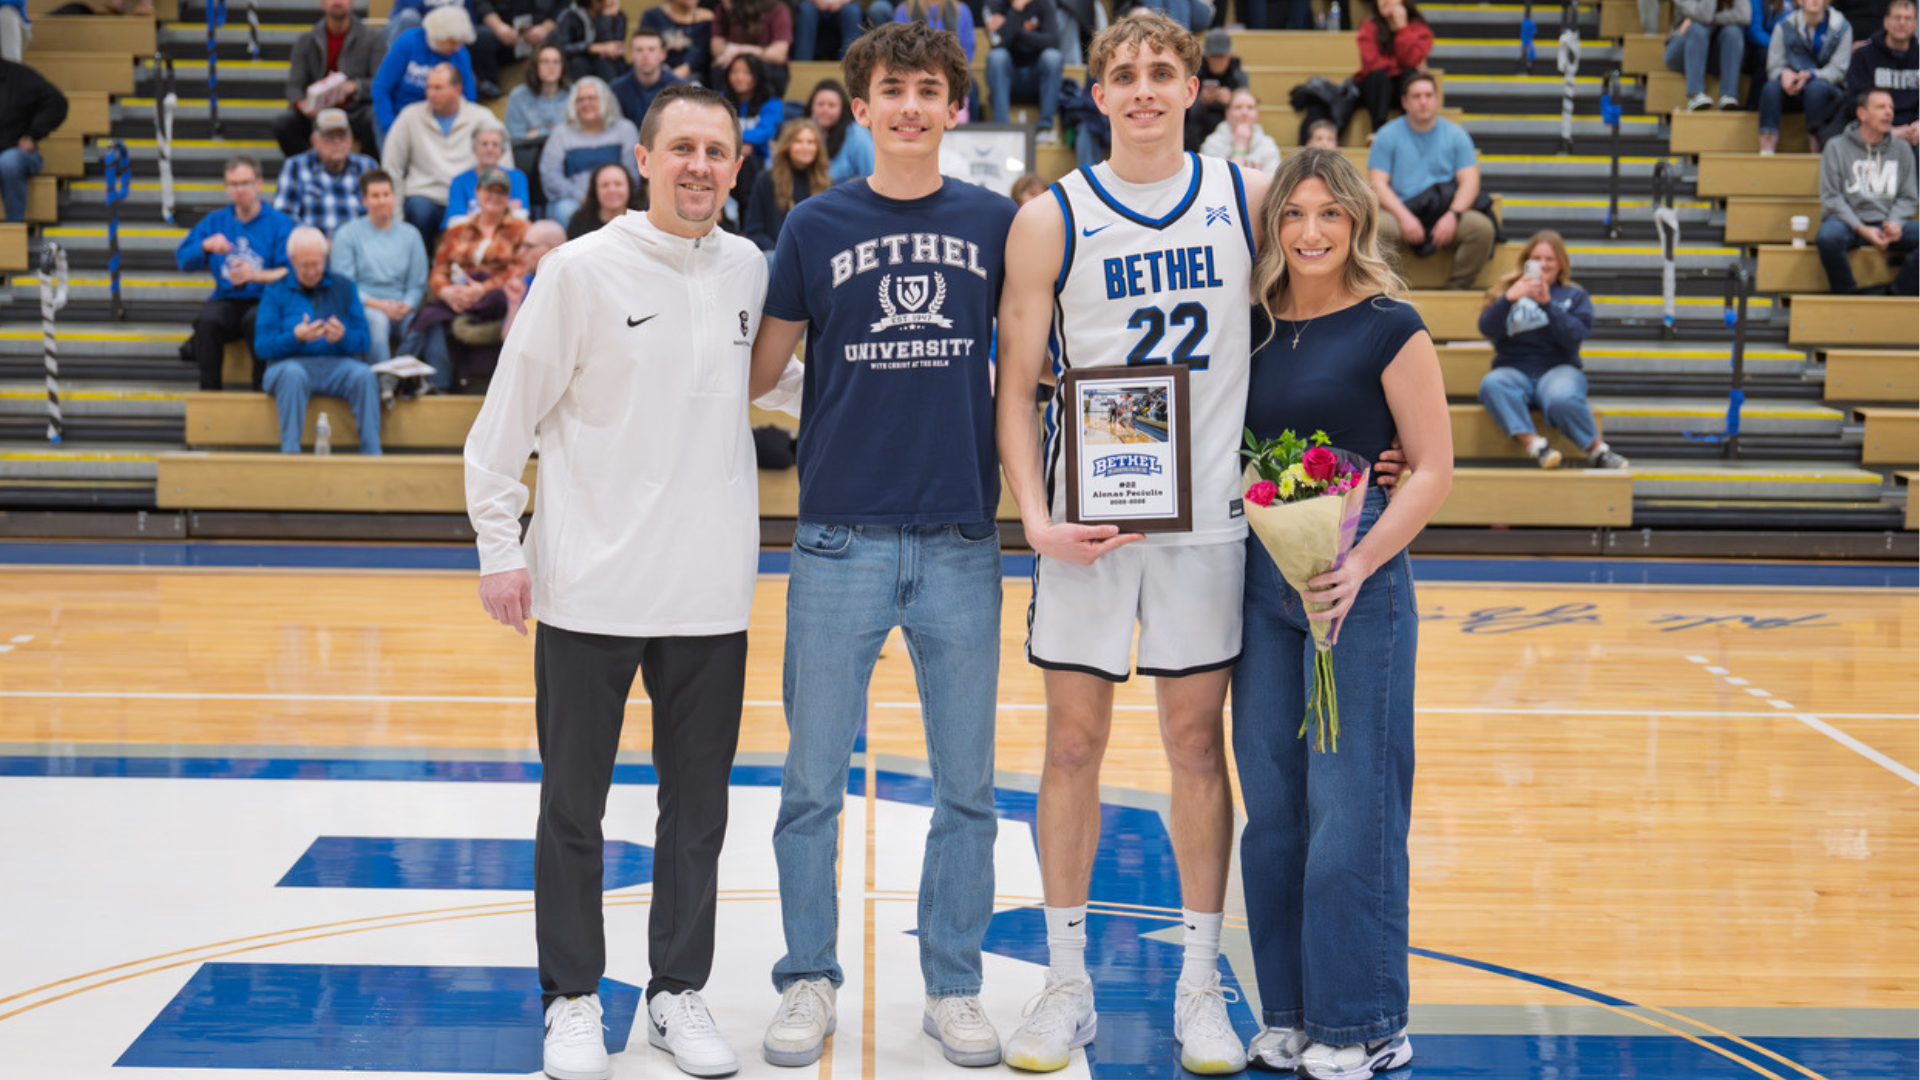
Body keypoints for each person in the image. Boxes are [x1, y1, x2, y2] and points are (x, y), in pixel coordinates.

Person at [466, 83, 803, 1080]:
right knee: (574, 807)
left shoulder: (753, 269)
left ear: (736, 168)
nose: (700, 165)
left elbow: (791, 385)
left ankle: (674, 992)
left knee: (696, 812)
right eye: (682, 148)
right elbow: (503, 426)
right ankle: (572, 997)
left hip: (709, 593)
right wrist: (500, 546)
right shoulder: (579, 272)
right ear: (645, 158)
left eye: (717, 150)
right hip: (588, 589)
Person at [994, 10, 1269, 1075]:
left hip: (1209, 522)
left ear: (1194, 85)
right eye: (1125, 74)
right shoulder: (1052, 217)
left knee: (1197, 748)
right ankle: (1068, 983)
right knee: (1073, 746)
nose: (1145, 89)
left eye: (1163, 71)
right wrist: (1033, 514)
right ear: (1095, 93)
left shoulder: (1246, 197)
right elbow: (1016, 386)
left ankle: (1202, 984)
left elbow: (1321, 334)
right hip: (1089, 523)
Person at [743, 20, 1016, 1071]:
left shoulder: (999, 224)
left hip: (958, 534)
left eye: (928, 90)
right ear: (860, 109)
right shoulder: (813, 225)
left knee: (968, 788)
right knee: (810, 781)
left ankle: (953, 986)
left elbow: (1035, 354)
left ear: (955, 108)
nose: (910, 106)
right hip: (836, 538)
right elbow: (760, 369)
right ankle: (808, 977)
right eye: (891, 90)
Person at [1233, 146, 1451, 1080]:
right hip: (1258, 578)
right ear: (1273, 223)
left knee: (1352, 809)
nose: (1311, 233)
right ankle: (1287, 1011)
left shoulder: (1389, 326)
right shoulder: (1248, 323)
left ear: (1358, 220)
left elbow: (1433, 467)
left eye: (1329, 214)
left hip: (1355, 584)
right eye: (1293, 214)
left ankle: (1364, 1022)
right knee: (1275, 809)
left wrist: (1359, 560)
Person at [1476, 230, 1627, 471]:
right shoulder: (1506, 290)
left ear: (1561, 263)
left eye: (1549, 259)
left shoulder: (1574, 295)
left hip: (1558, 369)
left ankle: (1598, 452)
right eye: (1536, 258)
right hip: (1513, 370)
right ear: (1526, 260)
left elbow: (1575, 335)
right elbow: (1487, 328)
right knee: (1492, 384)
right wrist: (1508, 299)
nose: (1542, 264)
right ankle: (1537, 446)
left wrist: (1548, 305)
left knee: (1560, 397)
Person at [257, 226, 380, 455]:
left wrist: (343, 337)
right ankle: (290, 455)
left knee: (365, 375)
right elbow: (262, 346)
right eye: (305, 265)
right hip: (288, 366)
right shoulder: (275, 291)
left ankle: (372, 455)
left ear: (325, 259)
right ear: (292, 262)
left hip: (337, 366)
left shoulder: (344, 286)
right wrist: (295, 337)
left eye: (317, 264)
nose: (312, 271)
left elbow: (363, 340)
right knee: (292, 375)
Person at [176, 157, 297, 390]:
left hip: (266, 298)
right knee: (208, 321)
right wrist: (205, 246)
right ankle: (209, 393)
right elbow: (184, 260)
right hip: (227, 298)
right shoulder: (216, 221)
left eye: (245, 183)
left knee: (257, 320)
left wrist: (255, 275)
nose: (239, 190)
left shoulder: (279, 222)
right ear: (226, 187)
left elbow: (291, 273)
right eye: (233, 184)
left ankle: (262, 389)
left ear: (258, 184)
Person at [406, 166, 531, 390]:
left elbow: (521, 270)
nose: (494, 197)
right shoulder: (458, 230)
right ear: (478, 192)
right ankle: (438, 387)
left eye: (500, 192)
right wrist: (447, 292)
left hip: (497, 298)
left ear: (508, 197)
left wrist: (483, 289)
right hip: (459, 296)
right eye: (488, 190)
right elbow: (439, 270)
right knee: (433, 318)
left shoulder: (522, 230)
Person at [1369, 73, 1497, 289]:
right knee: (1377, 228)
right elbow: (1377, 183)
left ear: (1437, 100)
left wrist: (1453, 215)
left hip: (1444, 209)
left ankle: (1456, 289)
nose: (1423, 101)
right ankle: (1392, 291)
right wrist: (1404, 217)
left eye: (1428, 95)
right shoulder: (1386, 136)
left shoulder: (1457, 135)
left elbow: (1470, 182)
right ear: (1405, 101)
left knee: (1482, 229)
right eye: (1416, 96)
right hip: (1400, 210)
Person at [381, 62, 497, 255]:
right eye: (428, 87)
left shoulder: (482, 117)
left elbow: (502, 165)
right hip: (426, 194)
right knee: (419, 210)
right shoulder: (409, 116)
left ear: (457, 89)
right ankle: (421, 269)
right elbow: (391, 168)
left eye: (438, 88)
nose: (431, 94)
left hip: (470, 196)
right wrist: (396, 219)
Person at [1818, 88, 1919, 294]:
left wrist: (1895, 223)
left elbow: (1909, 197)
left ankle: (1896, 293)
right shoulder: (1836, 147)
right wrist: (1861, 229)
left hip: (1887, 222)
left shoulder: (1902, 149)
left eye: (1891, 107)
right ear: (1862, 113)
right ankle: (1846, 294)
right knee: (1827, 237)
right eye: (1881, 107)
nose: (1889, 113)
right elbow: (1832, 198)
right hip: (1848, 223)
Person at [331, 169, 430, 364]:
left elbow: (417, 283)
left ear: (394, 197)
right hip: (365, 305)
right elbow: (344, 284)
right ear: (364, 201)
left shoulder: (411, 235)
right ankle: (382, 384)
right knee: (378, 321)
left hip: (401, 305)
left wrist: (407, 304)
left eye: (387, 194)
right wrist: (379, 305)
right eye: (375, 196)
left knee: (421, 325)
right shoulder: (347, 234)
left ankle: (396, 379)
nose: (382, 200)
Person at [274, 0, 382, 159]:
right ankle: (312, 166)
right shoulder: (306, 40)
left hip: (355, 110)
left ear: (351, 2)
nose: (337, 1)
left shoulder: (373, 38)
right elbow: (294, 86)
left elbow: (381, 83)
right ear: (322, 3)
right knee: (283, 123)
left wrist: (355, 86)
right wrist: (302, 105)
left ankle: (366, 172)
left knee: (375, 118)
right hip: (315, 113)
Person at [539, 76, 640, 224]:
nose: (586, 104)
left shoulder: (625, 130)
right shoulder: (561, 134)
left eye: (592, 98)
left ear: (605, 101)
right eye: (580, 100)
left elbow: (632, 173)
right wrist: (581, 196)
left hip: (616, 197)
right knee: (564, 210)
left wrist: (609, 196)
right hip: (575, 200)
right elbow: (550, 175)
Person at [372, 6, 480, 143]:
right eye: (452, 42)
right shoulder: (408, 42)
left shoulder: (459, 53)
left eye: (460, 42)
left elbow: (468, 97)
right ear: (438, 36)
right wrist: (389, 127)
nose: (456, 47)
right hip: (399, 114)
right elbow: (380, 88)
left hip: (439, 121)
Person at [1759, 0, 1852, 154]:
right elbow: (1774, 66)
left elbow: (1838, 70)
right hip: (1793, 87)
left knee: (1815, 90)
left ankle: (1815, 151)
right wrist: (1784, 74)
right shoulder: (1784, 25)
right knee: (1770, 88)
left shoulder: (1842, 27)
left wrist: (1812, 75)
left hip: (1827, 89)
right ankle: (1766, 151)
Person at [273, 108, 380, 237]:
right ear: (314, 141)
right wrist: (315, 240)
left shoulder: (367, 166)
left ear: (351, 140)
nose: (337, 142)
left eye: (342, 136)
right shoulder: (296, 166)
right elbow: (282, 216)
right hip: (313, 250)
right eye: (329, 137)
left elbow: (380, 212)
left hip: (360, 248)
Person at [1835, 0, 1917, 149]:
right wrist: (1887, 130)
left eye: (1908, 18)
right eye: (1897, 17)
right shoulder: (1863, 56)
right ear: (1885, 21)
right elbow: (1855, 102)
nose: (1902, 23)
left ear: (1916, 23)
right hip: (1872, 129)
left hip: (1914, 132)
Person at [743, 118, 828, 252]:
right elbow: (754, 229)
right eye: (798, 141)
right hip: (775, 257)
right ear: (787, 145)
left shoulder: (827, 185)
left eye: (811, 142)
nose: (805, 147)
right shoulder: (766, 180)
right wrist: (781, 255)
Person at [985, 0, 1065, 142]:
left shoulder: (1045, 4)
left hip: (1037, 79)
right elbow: (998, 43)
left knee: (1052, 57)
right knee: (997, 57)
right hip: (1009, 79)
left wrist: (1013, 28)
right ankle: (1002, 128)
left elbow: (1053, 42)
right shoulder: (997, 5)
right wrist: (1016, 11)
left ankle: (1045, 127)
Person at [1352, 0, 1433, 136]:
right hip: (1376, 91)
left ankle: (1411, 130)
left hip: (1401, 88)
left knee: (1409, 76)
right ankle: (1378, 131)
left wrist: (1402, 30)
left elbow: (1411, 60)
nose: (1385, 2)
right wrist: (1397, 65)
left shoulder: (1419, 28)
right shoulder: (1369, 26)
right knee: (1379, 77)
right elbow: (1372, 63)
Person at [0, 57, 64, 224]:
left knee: (9, 161)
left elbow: (56, 102)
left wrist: (32, 135)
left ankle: (14, 227)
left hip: (17, 154)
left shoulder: (19, 77)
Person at [1664, 0, 1751, 111]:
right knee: (1698, 28)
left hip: (1714, 52)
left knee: (1733, 32)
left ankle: (1729, 95)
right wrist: (1725, 18)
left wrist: (1715, 19)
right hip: (1682, 50)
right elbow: (1706, 15)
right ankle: (1695, 94)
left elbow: (1744, 15)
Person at [443, 119, 532, 225]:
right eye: (484, 144)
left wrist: (472, 216)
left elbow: (521, 217)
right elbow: (454, 223)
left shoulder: (517, 177)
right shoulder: (460, 181)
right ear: (474, 148)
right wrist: (505, 210)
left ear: (502, 150)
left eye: (495, 145)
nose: (490, 149)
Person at [472, 0, 565, 99]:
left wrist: (545, 29)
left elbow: (563, 5)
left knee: (562, 35)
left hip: (544, 36)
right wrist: (498, 27)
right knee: (480, 37)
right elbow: (481, 3)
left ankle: (558, 88)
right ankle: (490, 88)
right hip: (505, 35)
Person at [721, 54, 783, 200]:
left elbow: (767, 131)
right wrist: (738, 147)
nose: (739, 77)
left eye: (746, 73)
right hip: (728, 158)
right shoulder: (720, 101)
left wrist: (744, 143)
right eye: (735, 72)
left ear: (757, 76)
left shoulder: (772, 102)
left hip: (762, 164)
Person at [609, 29, 685, 130]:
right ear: (631, 54)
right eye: (639, 50)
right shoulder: (616, 89)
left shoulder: (681, 89)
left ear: (662, 54)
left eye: (651, 49)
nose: (645, 56)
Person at [713, 0, 793, 96]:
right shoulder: (722, 9)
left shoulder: (777, 9)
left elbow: (778, 55)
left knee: (775, 74)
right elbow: (717, 46)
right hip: (734, 62)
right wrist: (727, 52)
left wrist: (742, 49)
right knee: (718, 67)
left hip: (766, 65)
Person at [1185, 29, 1247, 152]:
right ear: (1206, 57)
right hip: (1198, 128)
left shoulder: (1239, 75)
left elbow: (1244, 112)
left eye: (1221, 56)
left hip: (1228, 127)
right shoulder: (1196, 73)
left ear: (1229, 56)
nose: (1218, 61)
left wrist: (1232, 101)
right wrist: (1201, 101)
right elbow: (1186, 113)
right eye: (1214, 56)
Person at [807, 78, 874, 182]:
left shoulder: (857, 133)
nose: (825, 110)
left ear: (842, 109)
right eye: (820, 104)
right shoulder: (801, 131)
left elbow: (871, 174)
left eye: (831, 105)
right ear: (811, 106)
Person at [1200, 87, 1281, 172]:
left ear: (1257, 114)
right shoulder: (1212, 143)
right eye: (1238, 107)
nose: (1244, 112)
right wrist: (1239, 146)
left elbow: (1272, 181)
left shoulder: (1268, 145)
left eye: (1250, 107)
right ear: (1227, 113)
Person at [506, 42, 573, 143]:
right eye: (545, 62)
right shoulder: (518, 96)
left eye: (556, 62)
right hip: (530, 151)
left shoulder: (575, 93)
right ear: (535, 67)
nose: (551, 67)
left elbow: (581, 132)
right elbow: (514, 137)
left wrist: (538, 134)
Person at [639, 0, 716, 83]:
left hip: (695, 77)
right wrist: (662, 69)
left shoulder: (706, 19)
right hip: (658, 72)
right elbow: (644, 44)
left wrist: (686, 68)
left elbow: (701, 51)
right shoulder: (652, 16)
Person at [565, 159, 644, 237]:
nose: (612, 190)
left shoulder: (644, 222)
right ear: (595, 190)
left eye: (618, 184)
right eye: (605, 185)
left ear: (629, 187)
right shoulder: (579, 224)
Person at [552, 0, 629, 81]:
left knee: (606, 64)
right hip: (578, 60)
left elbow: (617, 47)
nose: (609, 2)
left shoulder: (618, 16)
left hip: (604, 61)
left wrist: (605, 18)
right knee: (579, 64)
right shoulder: (570, 15)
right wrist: (590, 48)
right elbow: (562, 47)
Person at [794, 0, 891, 61]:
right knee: (806, 10)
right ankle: (802, 64)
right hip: (811, 5)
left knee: (852, 12)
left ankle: (850, 65)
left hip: (845, 5)